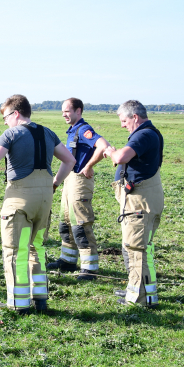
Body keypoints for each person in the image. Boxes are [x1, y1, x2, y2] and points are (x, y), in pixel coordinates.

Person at [0, 95, 75, 314]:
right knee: (36, 247)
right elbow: (70, 161)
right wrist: (54, 183)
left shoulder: (11, 134)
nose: (5, 122)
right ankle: (40, 299)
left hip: (19, 198)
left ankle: (18, 303)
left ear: (16, 114)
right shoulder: (48, 132)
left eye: (6, 117)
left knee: (14, 250)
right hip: (45, 198)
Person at [103, 100, 164, 308]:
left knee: (137, 248)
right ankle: (142, 291)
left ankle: (139, 299)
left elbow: (121, 157)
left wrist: (110, 152)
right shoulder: (149, 133)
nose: (122, 125)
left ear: (135, 117)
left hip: (140, 202)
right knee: (139, 247)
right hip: (142, 198)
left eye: (123, 120)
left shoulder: (144, 134)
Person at [47, 98, 111, 281]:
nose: (64, 114)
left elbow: (103, 146)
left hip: (80, 181)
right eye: (63, 112)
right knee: (65, 223)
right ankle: (68, 260)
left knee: (81, 225)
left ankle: (89, 269)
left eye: (67, 111)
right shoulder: (73, 130)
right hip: (70, 180)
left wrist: (89, 166)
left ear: (78, 111)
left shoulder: (84, 130)